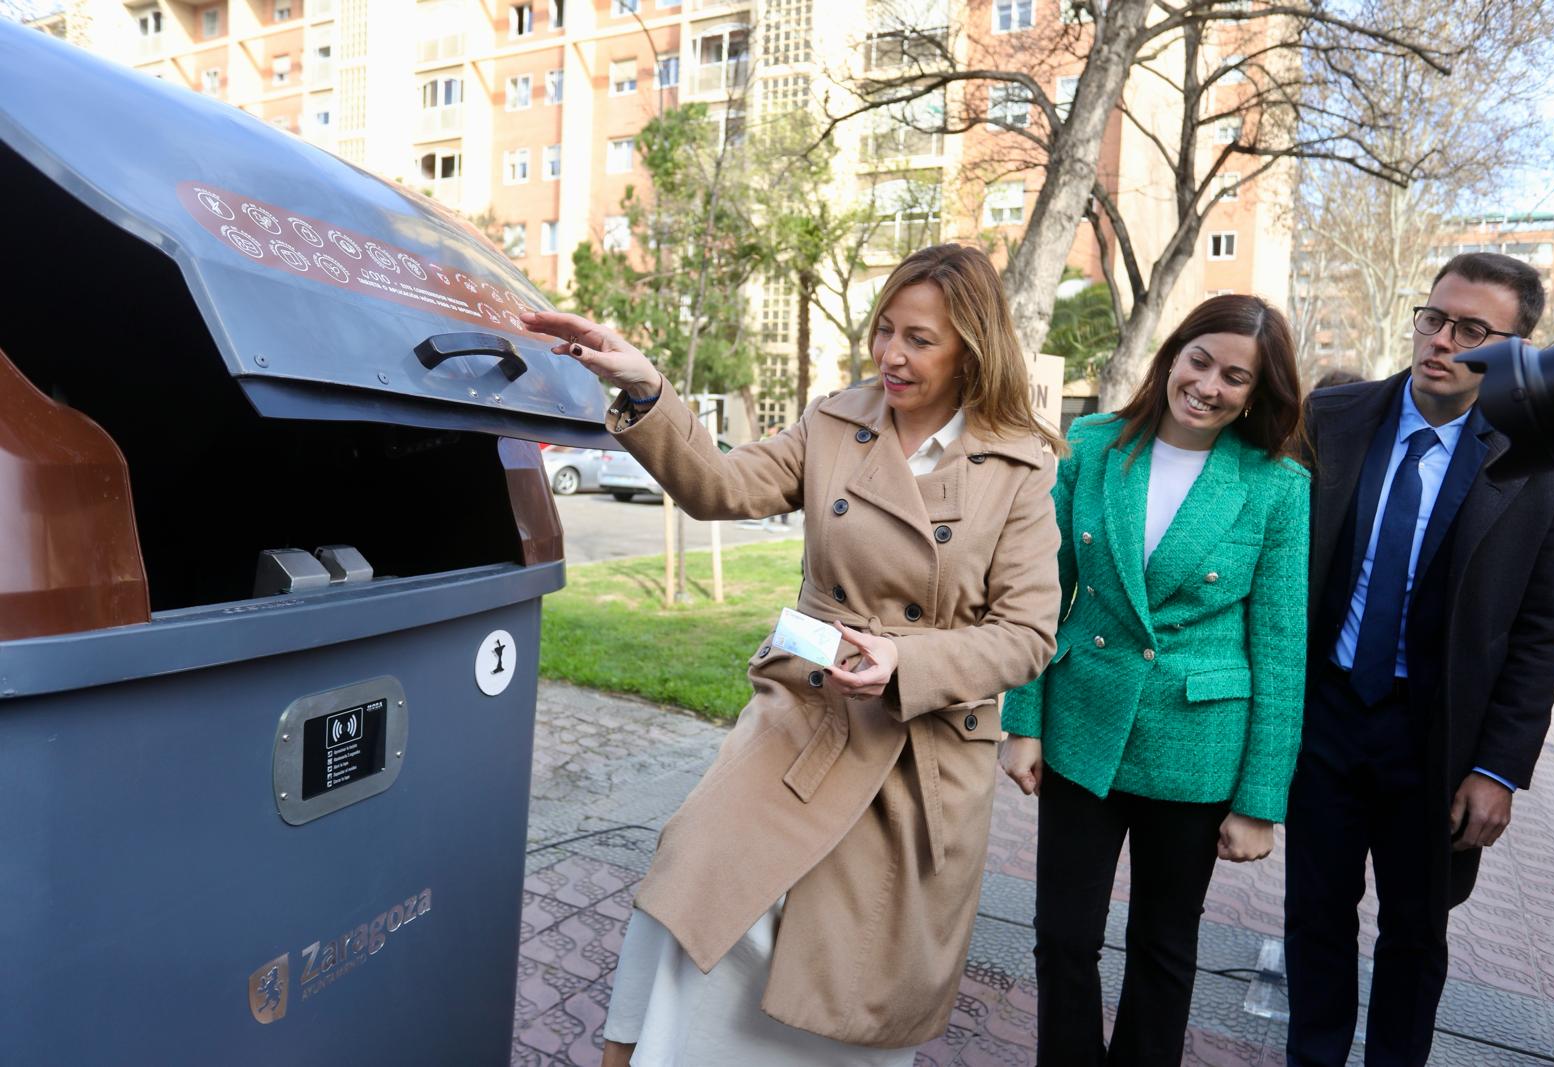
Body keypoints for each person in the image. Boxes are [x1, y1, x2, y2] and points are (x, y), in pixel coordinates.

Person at [520, 244, 1064, 1066]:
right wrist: (642, 383)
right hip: (805, 716)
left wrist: (905, 663)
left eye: (919, 339)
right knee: (693, 884)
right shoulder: (837, 421)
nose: (891, 354)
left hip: (917, 750)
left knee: (847, 963)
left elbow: (1027, 635)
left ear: (972, 349)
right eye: (884, 329)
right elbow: (719, 487)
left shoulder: (1020, 466)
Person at [1284, 252, 1554, 1067]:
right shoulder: (1334, 417)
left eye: (1472, 330)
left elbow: (1542, 627)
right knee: (1314, 916)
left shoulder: (1541, 465)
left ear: (1518, 348)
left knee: (1416, 935)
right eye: (1433, 318)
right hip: (1328, 716)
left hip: (1441, 740)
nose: (1442, 340)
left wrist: (1500, 769)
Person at [999, 294, 1310, 1065]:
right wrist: (1022, 720)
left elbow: (1279, 647)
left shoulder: (1276, 485)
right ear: (1172, 353)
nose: (1208, 385)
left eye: (1235, 377)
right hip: (1082, 725)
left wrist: (1260, 803)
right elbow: (1044, 590)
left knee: (1164, 946)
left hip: (1198, 743)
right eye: (1199, 360)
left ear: (1257, 393)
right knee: (1063, 935)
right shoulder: (1093, 444)